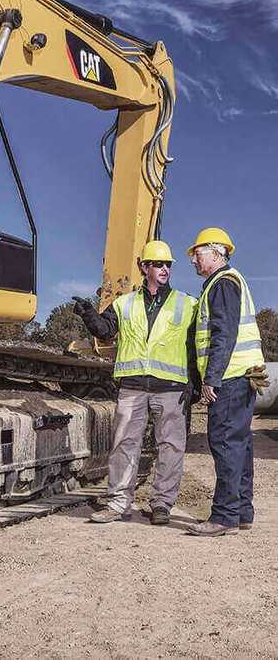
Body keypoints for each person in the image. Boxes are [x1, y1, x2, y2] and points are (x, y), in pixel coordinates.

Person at [72, 240, 196, 525]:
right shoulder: (124, 303)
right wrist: (89, 314)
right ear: (144, 268)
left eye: (168, 265)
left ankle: (162, 504)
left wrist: (195, 383)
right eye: (158, 264)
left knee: (171, 447)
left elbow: (196, 346)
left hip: (172, 388)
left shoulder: (187, 303)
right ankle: (118, 503)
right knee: (124, 444)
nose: (164, 269)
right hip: (133, 386)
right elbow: (105, 331)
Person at [185, 228, 264, 537]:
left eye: (197, 253)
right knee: (239, 445)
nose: (193, 260)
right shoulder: (229, 282)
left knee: (226, 444)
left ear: (217, 253)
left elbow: (224, 334)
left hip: (230, 378)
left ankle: (224, 516)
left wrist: (211, 378)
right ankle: (241, 512)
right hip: (241, 376)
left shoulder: (223, 283)